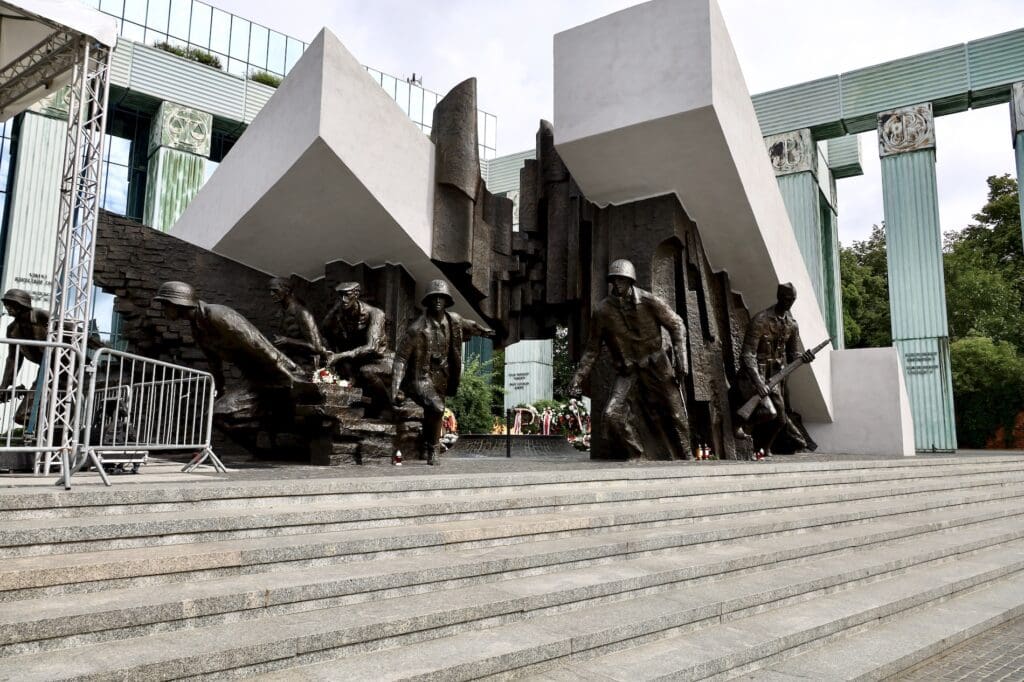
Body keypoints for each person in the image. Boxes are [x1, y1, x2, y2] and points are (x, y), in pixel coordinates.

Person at [569, 259, 692, 460]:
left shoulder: (649, 301)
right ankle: (637, 453)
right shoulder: (602, 311)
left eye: (622, 279)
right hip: (628, 370)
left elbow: (676, 324)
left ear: (630, 281)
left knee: (676, 412)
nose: (617, 284)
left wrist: (681, 359)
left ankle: (687, 456)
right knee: (612, 414)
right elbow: (592, 349)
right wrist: (578, 378)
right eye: (614, 280)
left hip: (656, 363)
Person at [153, 281, 305, 411]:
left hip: (274, 371)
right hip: (253, 376)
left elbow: (260, 346)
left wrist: (290, 377)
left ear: (177, 303)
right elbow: (214, 363)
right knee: (219, 413)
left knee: (223, 412)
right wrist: (220, 391)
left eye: (165, 305)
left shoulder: (217, 315)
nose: (163, 310)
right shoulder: (197, 329)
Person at [391, 279, 494, 465]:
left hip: (443, 376)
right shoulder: (416, 329)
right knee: (437, 408)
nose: (438, 300)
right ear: (427, 300)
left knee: (433, 412)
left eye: (442, 297)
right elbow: (401, 358)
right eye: (434, 297)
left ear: (447, 300)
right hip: (421, 377)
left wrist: (483, 332)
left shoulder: (454, 320)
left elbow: (470, 325)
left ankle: (426, 446)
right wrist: (395, 387)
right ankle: (434, 448)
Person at [737, 282, 816, 456]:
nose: (790, 302)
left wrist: (804, 358)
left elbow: (793, 355)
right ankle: (741, 427)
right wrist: (758, 383)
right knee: (769, 412)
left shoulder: (792, 325)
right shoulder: (760, 320)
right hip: (755, 375)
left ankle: (763, 449)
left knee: (780, 420)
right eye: (787, 299)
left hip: (776, 376)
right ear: (779, 297)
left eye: (793, 299)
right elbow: (747, 354)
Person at [320, 281, 392, 410]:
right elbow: (324, 330)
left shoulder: (376, 314)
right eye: (340, 296)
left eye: (347, 295)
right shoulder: (340, 313)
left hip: (380, 361)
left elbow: (372, 347)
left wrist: (340, 356)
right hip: (354, 362)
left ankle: (387, 407)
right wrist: (334, 309)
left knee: (366, 371)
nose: (343, 300)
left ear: (356, 294)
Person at [269, 277, 328, 371]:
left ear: (287, 290)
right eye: (270, 291)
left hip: (308, 365)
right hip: (291, 361)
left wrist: (288, 340)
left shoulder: (302, 313)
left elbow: (317, 347)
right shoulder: (281, 313)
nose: (271, 294)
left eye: (275, 290)